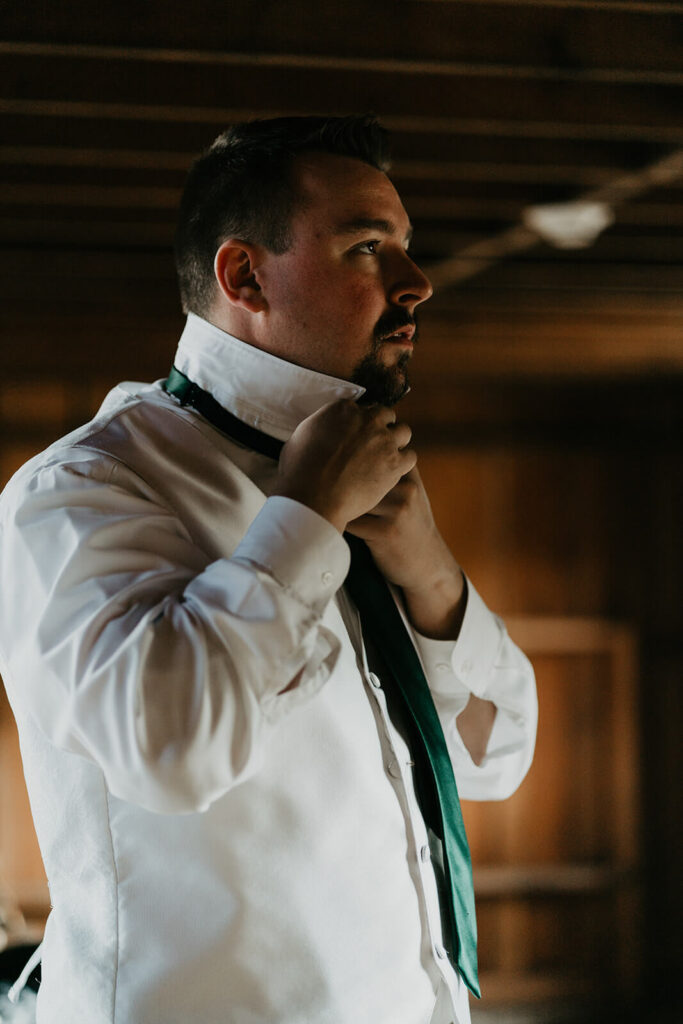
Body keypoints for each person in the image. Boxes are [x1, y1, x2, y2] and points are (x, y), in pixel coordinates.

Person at [0, 115, 537, 1024]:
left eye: (405, 247)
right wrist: (303, 520)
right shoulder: (81, 490)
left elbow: (495, 759)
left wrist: (433, 575)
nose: (418, 283)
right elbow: (169, 749)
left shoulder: (375, 495)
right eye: (368, 248)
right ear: (244, 275)